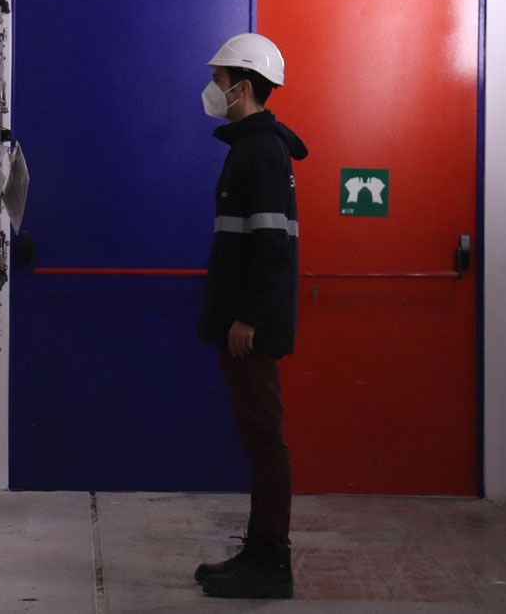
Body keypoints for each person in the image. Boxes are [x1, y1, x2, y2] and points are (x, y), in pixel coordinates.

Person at [194, 33, 308, 599]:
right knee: (258, 436)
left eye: (218, 79)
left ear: (242, 85)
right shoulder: (253, 147)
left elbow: (271, 248)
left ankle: (273, 561)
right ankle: (258, 548)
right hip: (245, 319)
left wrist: (248, 319)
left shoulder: (260, 150)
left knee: (265, 439)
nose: (211, 89)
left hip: (251, 327)